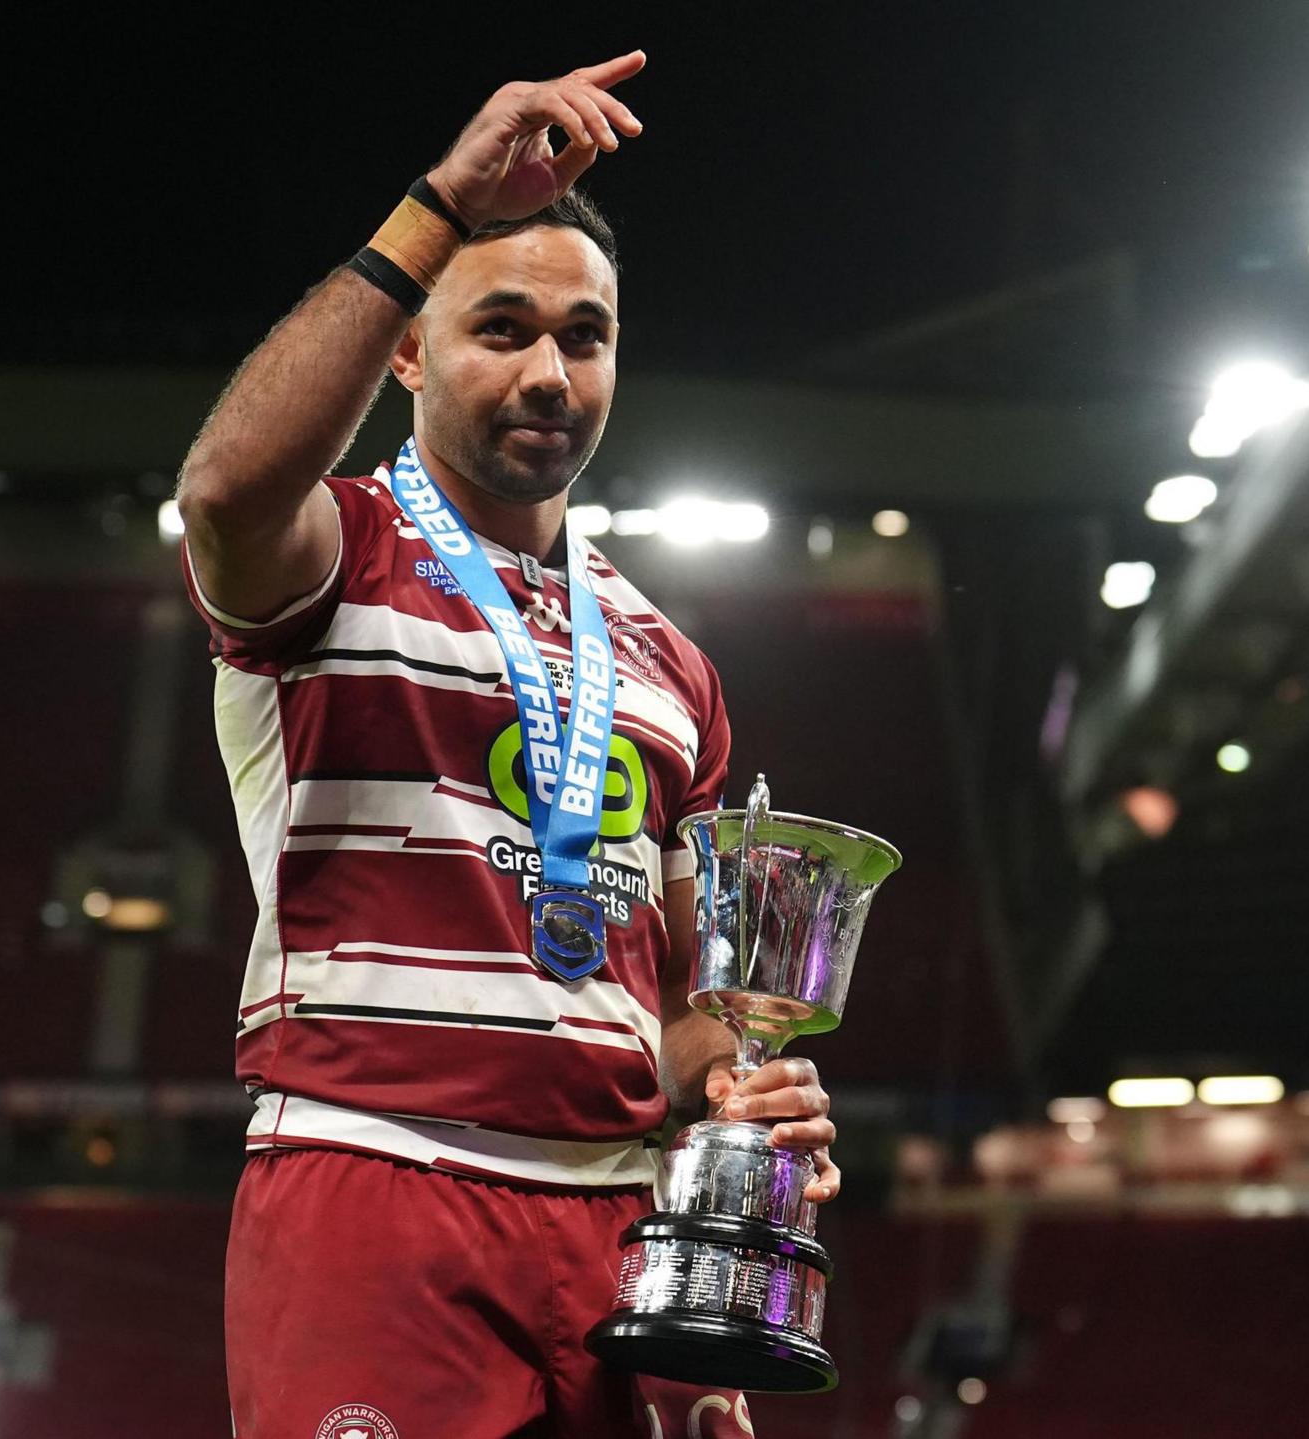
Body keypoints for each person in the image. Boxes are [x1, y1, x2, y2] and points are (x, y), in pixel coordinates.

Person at [175, 51, 835, 1438]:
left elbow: (669, 1023)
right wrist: (434, 209)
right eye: (504, 329)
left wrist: (743, 1104)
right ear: (409, 345)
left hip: (607, 1227)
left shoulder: (671, 664)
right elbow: (225, 490)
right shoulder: (340, 553)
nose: (549, 371)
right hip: (376, 1182)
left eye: (584, 338)